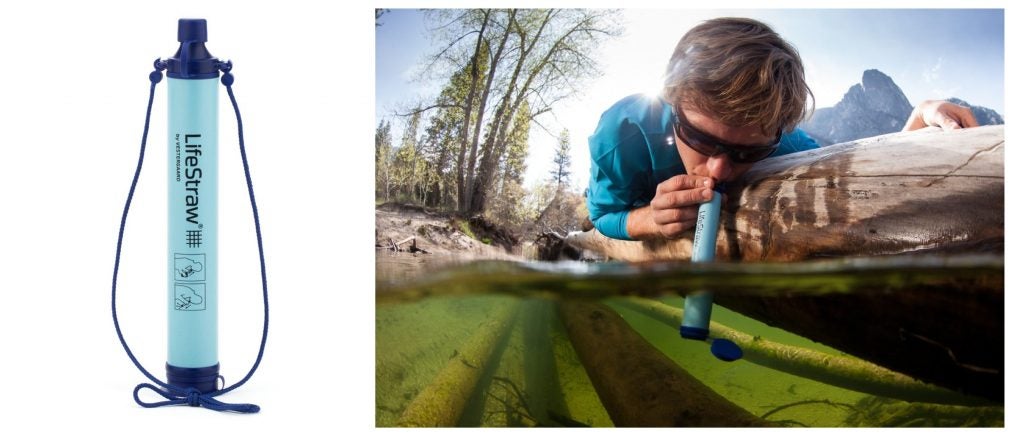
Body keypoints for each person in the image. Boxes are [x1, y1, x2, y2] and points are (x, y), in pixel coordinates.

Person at [586, 17, 978, 241]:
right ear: (671, 99)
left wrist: (919, 118)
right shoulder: (621, 134)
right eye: (701, 140)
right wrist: (647, 220)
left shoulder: (782, 142)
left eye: (747, 153)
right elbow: (603, 214)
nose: (720, 170)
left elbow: (852, 163)